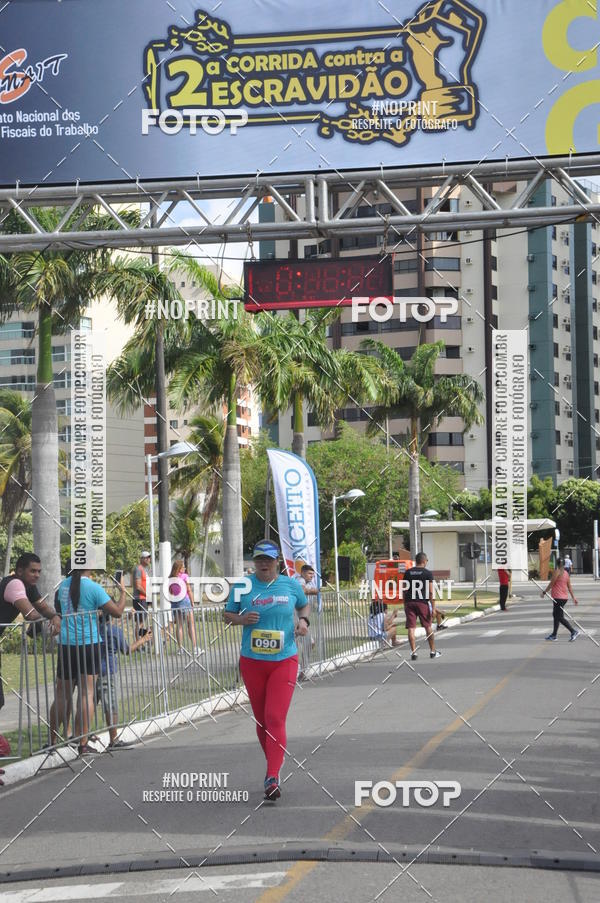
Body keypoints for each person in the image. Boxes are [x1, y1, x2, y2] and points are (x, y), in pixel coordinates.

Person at [224, 539, 309, 801]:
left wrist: (303, 621)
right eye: (259, 559)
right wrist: (241, 619)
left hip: (284, 660)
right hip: (253, 662)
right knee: (262, 721)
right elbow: (227, 614)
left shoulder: (290, 585)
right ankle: (274, 760)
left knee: (274, 717)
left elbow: (303, 604)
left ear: (277, 561)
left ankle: (272, 776)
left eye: (268, 560)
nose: (263, 564)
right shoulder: (243, 586)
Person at [51, 570, 126, 755]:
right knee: (87, 694)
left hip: (66, 644)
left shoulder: (62, 586)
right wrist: (123, 592)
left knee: (61, 695)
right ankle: (83, 744)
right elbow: (117, 612)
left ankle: (51, 743)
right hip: (88, 644)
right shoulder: (94, 588)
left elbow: (59, 610)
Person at [0, 553, 62, 715]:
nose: (37, 575)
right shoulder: (15, 584)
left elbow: (42, 607)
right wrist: (42, 621)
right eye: (33, 571)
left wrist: (55, 616)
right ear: (20, 571)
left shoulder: (29, 586)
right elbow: (31, 614)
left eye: (39, 571)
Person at [96, 612, 152, 748]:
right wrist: (143, 640)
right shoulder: (115, 631)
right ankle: (113, 739)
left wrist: (126, 619)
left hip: (91, 671)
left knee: (89, 704)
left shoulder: (93, 629)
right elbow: (126, 650)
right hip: (108, 670)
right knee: (111, 705)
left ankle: (82, 738)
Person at [402, 552, 441, 661]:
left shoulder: (408, 572)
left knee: (411, 628)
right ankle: (432, 651)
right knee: (428, 626)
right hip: (422, 602)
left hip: (409, 602)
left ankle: (413, 653)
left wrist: (405, 604)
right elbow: (431, 592)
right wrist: (433, 607)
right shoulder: (427, 573)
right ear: (424, 561)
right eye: (427, 560)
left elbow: (404, 590)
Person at [168, 559, 203, 657]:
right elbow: (189, 590)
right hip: (185, 601)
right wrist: (192, 601)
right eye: (183, 567)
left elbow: (170, 592)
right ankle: (195, 648)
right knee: (190, 624)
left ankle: (180, 649)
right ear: (179, 568)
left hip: (175, 602)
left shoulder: (171, 578)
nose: (185, 568)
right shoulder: (184, 576)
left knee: (179, 626)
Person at [541, 558, 579, 642]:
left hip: (558, 598)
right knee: (556, 615)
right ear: (564, 564)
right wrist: (573, 598)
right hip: (564, 598)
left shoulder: (557, 572)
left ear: (557, 564)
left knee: (559, 616)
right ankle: (554, 635)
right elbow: (569, 587)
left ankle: (573, 631)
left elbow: (551, 584)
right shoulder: (566, 573)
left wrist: (544, 592)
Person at [294, 564, 318, 679]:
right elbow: (302, 590)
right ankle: (295, 669)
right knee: (294, 644)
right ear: (302, 573)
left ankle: (303, 669)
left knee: (310, 642)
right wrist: (314, 591)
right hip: (295, 618)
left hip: (303, 619)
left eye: (313, 574)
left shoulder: (309, 583)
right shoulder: (300, 580)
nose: (311, 576)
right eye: (309, 573)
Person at [132, 552, 151, 640]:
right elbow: (138, 586)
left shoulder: (144, 570)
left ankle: (141, 642)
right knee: (140, 623)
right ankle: (138, 643)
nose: (148, 559)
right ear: (141, 559)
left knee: (142, 622)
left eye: (149, 557)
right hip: (140, 599)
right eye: (146, 557)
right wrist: (148, 595)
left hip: (143, 599)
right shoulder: (138, 569)